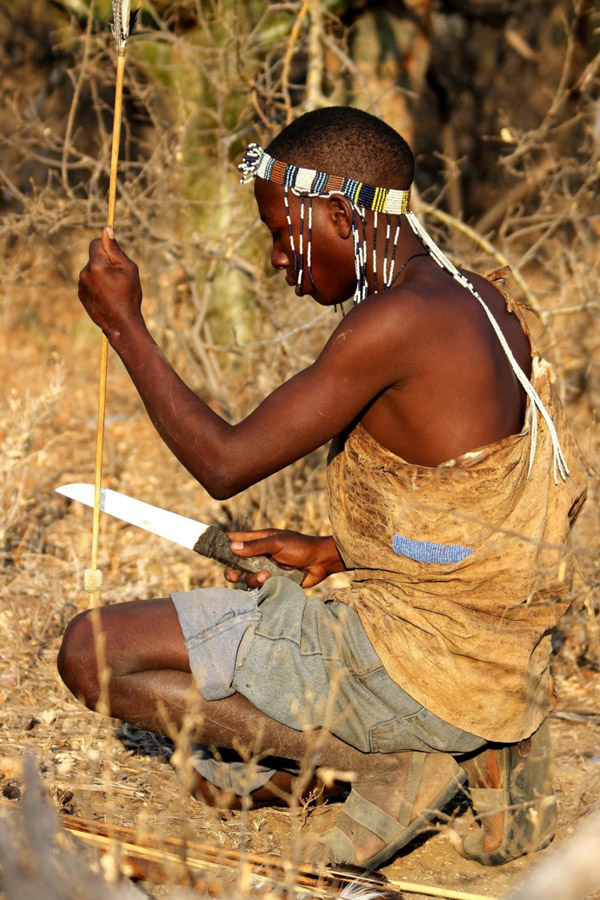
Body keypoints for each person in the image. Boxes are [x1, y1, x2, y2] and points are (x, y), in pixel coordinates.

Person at [57, 107, 587, 870]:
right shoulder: (477, 298)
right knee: (243, 668)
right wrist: (335, 550)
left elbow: (223, 464)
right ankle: (462, 739)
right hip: (481, 653)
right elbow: (476, 510)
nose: (277, 258)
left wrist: (125, 327)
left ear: (339, 214)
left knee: (90, 652)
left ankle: (388, 759)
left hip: (410, 664)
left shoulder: (391, 324)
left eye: (281, 232)